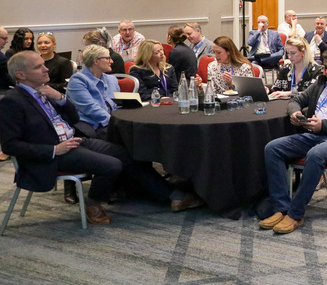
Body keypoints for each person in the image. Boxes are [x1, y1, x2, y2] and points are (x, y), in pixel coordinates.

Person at [1, 52, 200, 224]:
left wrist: (60, 99)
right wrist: (55, 150)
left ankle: (173, 196)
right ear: (21, 75)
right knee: (112, 165)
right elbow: (10, 146)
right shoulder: (12, 102)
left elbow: (74, 118)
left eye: (44, 65)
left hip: (75, 140)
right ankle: (92, 203)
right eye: (39, 67)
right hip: (53, 153)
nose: (46, 69)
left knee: (129, 153)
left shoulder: (45, 91)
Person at [260, 48, 327, 234]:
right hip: (314, 134)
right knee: (272, 148)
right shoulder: (321, 83)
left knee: (315, 155)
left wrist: (324, 125)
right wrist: (294, 112)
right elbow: (296, 100)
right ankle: (281, 208)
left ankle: (295, 213)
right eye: (325, 67)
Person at [66, 45, 120, 138]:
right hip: (91, 124)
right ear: (96, 61)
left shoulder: (112, 80)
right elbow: (90, 108)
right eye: (108, 58)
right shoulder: (77, 80)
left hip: (110, 122)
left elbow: (118, 104)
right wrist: (116, 123)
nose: (112, 61)